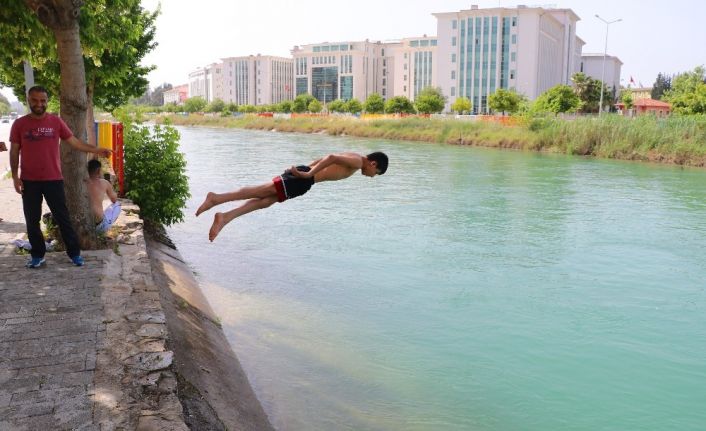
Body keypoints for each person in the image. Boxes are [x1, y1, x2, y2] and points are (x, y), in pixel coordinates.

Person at [3, 85, 111, 268]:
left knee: (63, 218)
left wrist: (96, 150)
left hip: (53, 179)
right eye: (35, 100)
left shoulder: (55, 122)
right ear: (29, 100)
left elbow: (74, 142)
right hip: (29, 181)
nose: (39, 104)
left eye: (43, 100)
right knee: (32, 220)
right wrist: (15, 176)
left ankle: (74, 253)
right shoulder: (19, 124)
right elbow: (14, 151)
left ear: (47, 101)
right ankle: (38, 255)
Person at [196, 151, 389, 242]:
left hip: (305, 179)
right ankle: (216, 198)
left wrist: (305, 169)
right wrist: (306, 173)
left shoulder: (355, 158)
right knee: (259, 191)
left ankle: (226, 217)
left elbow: (324, 159)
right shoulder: (357, 161)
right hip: (305, 179)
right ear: (373, 164)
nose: (373, 177)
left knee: (265, 202)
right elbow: (331, 157)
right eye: (376, 173)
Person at [87, 159, 120, 233]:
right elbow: (114, 200)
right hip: (98, 226)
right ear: (98, 171)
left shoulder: (83, 183)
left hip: (83, 225)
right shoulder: (104, 183)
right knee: (117, 205)